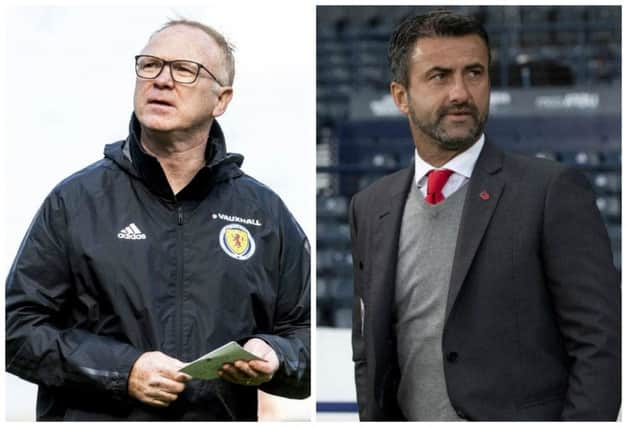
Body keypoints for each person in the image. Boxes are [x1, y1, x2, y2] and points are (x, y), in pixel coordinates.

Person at [5, 19, 310, 421]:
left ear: (222, 100)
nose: (162, 80)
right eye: (150, 65)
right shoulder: (75, 201)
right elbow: (18, 332)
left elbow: (303, 334)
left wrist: (276, 355)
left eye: (184, 70)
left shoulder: (265, 214)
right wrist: (123, 370)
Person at [349, 10, 619, 421]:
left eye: (474, 73)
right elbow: (367, 348)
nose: (460, 92)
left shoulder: (551, 191)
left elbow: (599, 345)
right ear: (400, 96)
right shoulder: (370, 206)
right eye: (439, 76)